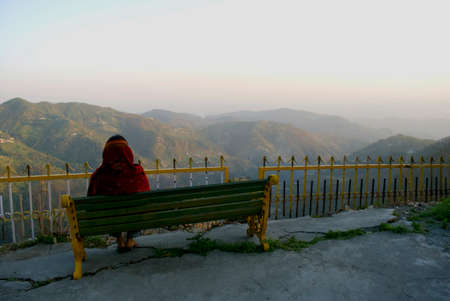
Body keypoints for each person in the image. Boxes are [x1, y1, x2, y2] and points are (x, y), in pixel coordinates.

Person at [88, 135, 150, 251]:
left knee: (108, 211)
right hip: (135, 216)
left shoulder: (99, 176)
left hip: (111, 218)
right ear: (128, 152)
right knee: (139, 207)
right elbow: (146, 198)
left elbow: (92, 201)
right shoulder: (137, 173)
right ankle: (130, 239)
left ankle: (120, 240)